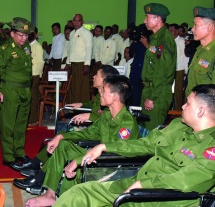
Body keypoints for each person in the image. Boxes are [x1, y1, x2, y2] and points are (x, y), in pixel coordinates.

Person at [52, 84, 215, 207]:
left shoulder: (211, 147)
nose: (182, 106)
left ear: (200, 111)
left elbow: (186, 181)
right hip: (137, 186)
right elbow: (146, 144)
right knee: (79, 194)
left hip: (164, 200)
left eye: (187, 103)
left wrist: (145, 185)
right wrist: (105, 147)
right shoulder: (178, 126)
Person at [24, 75, 140, 207]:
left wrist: (79, 160)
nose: (99, 93)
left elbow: (116, 153)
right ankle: (50, 196)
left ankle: (66, 200)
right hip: (100, 158)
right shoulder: (107, 114)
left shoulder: (127, 123)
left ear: (114, 96)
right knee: (63, 145)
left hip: (114, 167)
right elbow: (90, 133)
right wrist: (61, 136)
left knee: (79, 166)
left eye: (104, 90)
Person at [13, 65, 119, 189]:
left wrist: (91, 116)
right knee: (60, 137)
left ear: (105, 80)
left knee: (63, 141)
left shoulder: (112, 104)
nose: (94, 76)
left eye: (97, 75)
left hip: (98, 145)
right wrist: (82, 104)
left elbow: (104, 124)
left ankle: (39, 174)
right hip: (93, 132)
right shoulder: (101, 97)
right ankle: (38, 168)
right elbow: (96, 110)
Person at [0, 17, 34, 170]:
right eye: (20, 35)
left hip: (25, 89)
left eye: (26, 35)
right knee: (8, 124)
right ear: (12, 33)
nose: (24, 38)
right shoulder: (5, 49)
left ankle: (19, 151)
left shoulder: (27, 47)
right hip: (10, 90)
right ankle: (8, 156)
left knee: (21, 123)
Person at [141, 3, 177, 131]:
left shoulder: (164, 40)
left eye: (147, 17)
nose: (144, 21)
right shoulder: (155, 38)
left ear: (158, 19)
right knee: (144, 130)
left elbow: (162, 72)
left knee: (152, 132)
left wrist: (152, 97)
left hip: (157, 94)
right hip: (149, 89)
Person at [185, 6, 215, 97]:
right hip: (194, 105)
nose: (192, 29)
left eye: (196, 25)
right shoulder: (199, 50)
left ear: (209, 27)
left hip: (206, 108)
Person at [67, 14, 93, 103]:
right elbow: (69, 49)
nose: (76, 23)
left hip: (82, 64)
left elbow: (89, 48)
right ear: (72, 21)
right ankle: (72, 106)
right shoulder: (71, 33)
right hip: (73, 63)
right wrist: (68, 63)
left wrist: (87, 64)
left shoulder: (87, 33)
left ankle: (82, 107)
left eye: (78, 21)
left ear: (82, 22)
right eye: (75, 20)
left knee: (81, 87)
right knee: (73, 86)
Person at [168, 23, 189, 110]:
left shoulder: (181, 41)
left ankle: (178, 110)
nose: (170, 32)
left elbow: (185, 57)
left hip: (179, 69)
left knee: (178, 92)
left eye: (172, 31)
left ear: (177, 31)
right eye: (169, 31)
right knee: (169, 91)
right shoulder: (168, 41)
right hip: (170, 69)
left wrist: (185, 71)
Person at [28, 27, 44, 126]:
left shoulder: (37, 46)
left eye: (32, 33)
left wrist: (37, 75)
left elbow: (40, 62)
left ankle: (33, 120)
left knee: (33, 97)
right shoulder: (27, 45)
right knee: (28, 97)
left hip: (34, 74)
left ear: (36, 35)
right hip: (28, 74)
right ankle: (28, 118)